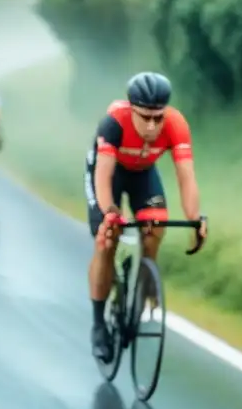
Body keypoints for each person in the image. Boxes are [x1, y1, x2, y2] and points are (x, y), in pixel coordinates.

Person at [86, 72, 207, 362]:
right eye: (145, 117)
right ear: (132, 109)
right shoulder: (113, 123)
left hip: (143, 174)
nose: (153, 126)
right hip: (109, 173)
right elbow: (102, 177)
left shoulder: (176, 124)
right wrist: (109, 214)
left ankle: (144, 283)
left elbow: (186, 177)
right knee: (107, 241)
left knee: (156, 227)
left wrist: (195, 218)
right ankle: (99, 323)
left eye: (158, 118)